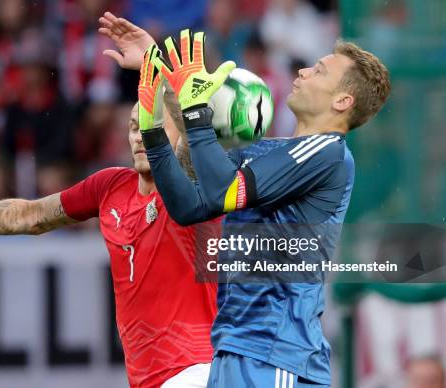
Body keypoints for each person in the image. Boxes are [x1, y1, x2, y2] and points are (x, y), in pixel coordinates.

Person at [0, 13, 221, 388]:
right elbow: (31, 215)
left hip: (197, 371)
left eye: (149, 123)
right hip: (148, 378)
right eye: (133, 126)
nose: (139, 135)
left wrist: (154, 59)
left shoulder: (192, 187)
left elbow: (188, 129)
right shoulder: (110, 186)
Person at [131, 23, 391, 386]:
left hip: (277, 354)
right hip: (234, 347)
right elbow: (189, 207)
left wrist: (195, 112)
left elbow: (224, 189)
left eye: (318, 71)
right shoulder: (270, 151)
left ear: (342, 101)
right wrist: (156, 136)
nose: (302, 71)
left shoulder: (329, 153)